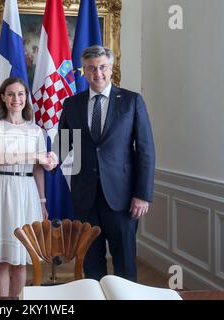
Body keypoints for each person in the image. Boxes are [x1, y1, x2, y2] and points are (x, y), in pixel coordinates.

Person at [58, 45, 155, 282]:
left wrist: (142, 194)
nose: (97, 73)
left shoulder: (132, 101)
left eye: (102, 67)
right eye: (91, 68)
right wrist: (38, 158)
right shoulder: (72, 104)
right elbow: (62, 148)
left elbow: (145, 150)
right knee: (91, 263)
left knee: (124, 263)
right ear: (85, 71)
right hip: (85, 199)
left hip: (122, 199)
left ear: (111, 68)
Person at [0, 77, 58, 297]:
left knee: (22, 259)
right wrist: (35, 155)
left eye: (20, 94)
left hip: (27, 191)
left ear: (26, 98)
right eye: (11, 94)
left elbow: (39, 169)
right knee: (2, 261)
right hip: (2, 189)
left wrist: (42, 202)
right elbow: (0, 158)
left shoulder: (36, 130)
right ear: (3, 97)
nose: (16, 99)